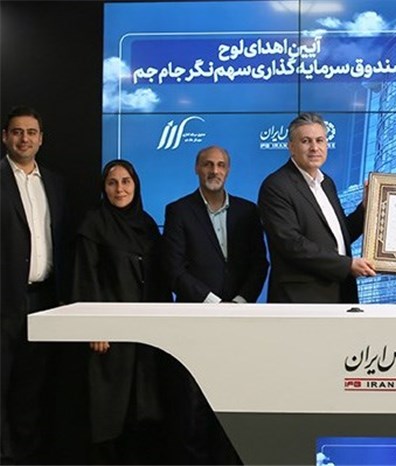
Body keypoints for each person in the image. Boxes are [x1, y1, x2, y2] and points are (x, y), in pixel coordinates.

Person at [162, 145, 268, 464]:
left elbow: (259, 264)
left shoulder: (248, 211)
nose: (214, 170)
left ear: (228, 170)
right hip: (196, 322)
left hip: (238, 321)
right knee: (193, 406)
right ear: (197, 168)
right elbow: (173, 269)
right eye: (208, 164)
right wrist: (213, 302)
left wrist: (238, 302)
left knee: (234, 401)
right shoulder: (179, 211)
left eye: (221, 165)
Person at [72, 159, 171, 464]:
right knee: (110, 412)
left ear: (135, 185)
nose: (119, 189)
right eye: (112, 183)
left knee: (144, 410)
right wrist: (95, 328)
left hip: (144, 336)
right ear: (103, 188)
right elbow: (85, 278)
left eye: (126, 182)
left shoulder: (147, 225)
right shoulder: (94, 224)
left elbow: (159, 280)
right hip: (110, 338)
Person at [1, 106, 66, 464]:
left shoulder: (54, 183)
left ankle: (24, 457)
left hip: (43, 301)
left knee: (31, 389)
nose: (24, 138)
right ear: (5, 137)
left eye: (31, 132)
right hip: (3, 302)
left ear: (41, 139)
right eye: (17, 131)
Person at [257, 112, 375, 303]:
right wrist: (347, 265)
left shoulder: (326, 183)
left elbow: (339, 237)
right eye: (306, 141)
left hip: (340, 294)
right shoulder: (276, 186)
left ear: (326, 144)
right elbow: (292, 244)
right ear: (291, 147)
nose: (314, 148)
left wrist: (365, 209)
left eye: (320, 140)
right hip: (301, 299)